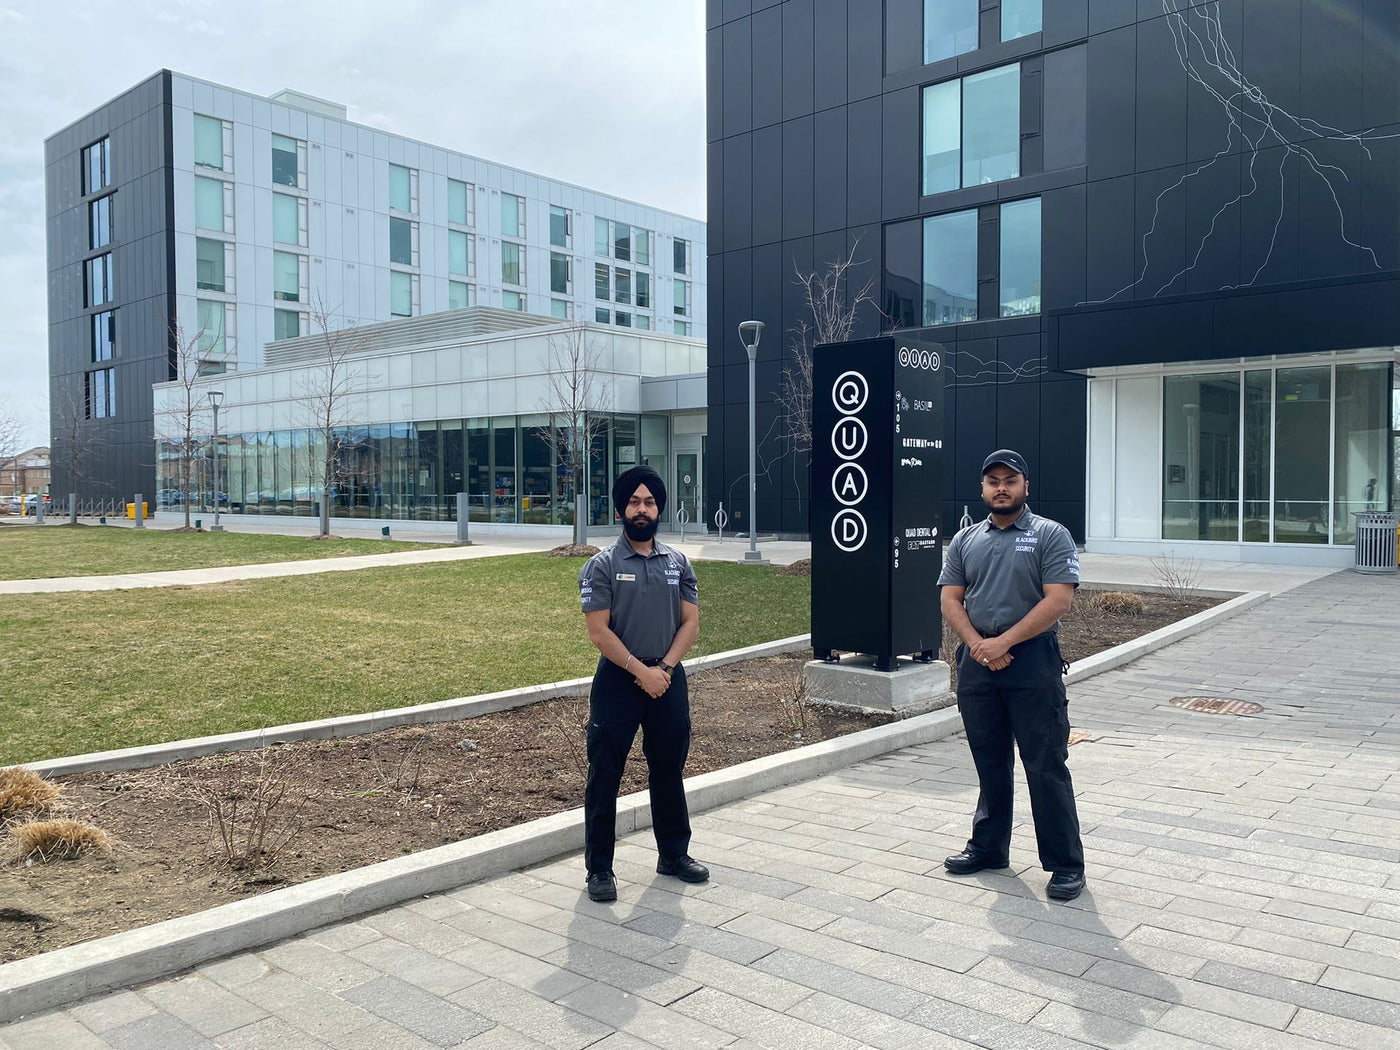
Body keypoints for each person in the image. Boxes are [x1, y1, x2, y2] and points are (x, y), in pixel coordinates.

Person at [937, 449, 1087, 901]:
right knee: (989, 761)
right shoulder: (965, 540)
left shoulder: (1049, 535)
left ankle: (1064, 865)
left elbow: (1058, 599)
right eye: (992, 482)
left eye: (1010, 480)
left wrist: (1004, 643)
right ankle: (988, 847)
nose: (1001, 488)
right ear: (982, 489)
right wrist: (980, 646)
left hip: (1032, 663)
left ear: (1025, 487)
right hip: (977, 663)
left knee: (1045, 765)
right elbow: (950, 599)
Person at [577, 465, 705, 902]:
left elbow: (690, 623)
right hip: (619, 679)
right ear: (620, 508)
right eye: (633, 501)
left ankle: (673, 855)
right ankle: (600, 870)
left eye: (649, 501)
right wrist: (640, 671)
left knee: (668, 769)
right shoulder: (602, 566)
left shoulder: (678, 563)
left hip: (667, 678)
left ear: (659, 509)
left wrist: (665, 669)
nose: (642, 508)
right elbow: (599, 632)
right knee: (605, 776)